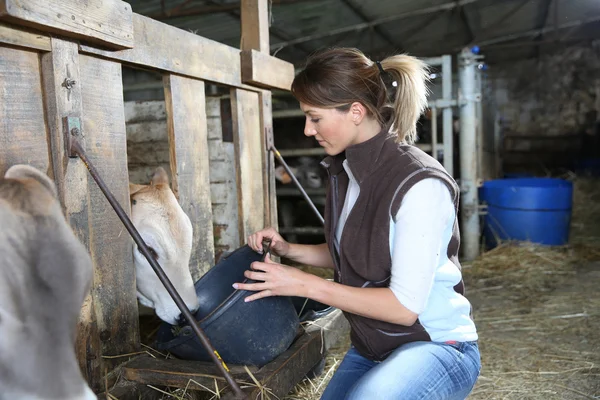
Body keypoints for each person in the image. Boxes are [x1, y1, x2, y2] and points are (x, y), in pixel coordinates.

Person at [233, 47, 481, 399]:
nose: (307, 130)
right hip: (375, 349)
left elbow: (403, 307)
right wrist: (290, 251)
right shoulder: (348, 170)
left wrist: (305, 285)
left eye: (314, 118)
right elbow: (357, 255)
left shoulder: (419, 184)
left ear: (355, 111)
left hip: (436, 346)